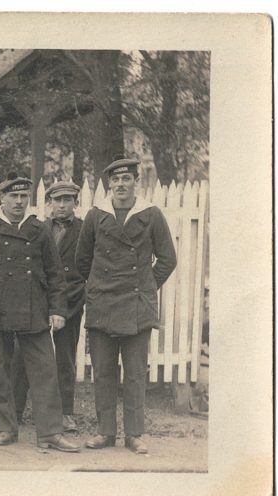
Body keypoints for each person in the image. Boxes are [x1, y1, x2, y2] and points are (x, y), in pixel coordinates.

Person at [0, 172, 79, 451]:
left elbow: (54, 274)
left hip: (33, 309)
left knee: (45, 371)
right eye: (13, 196)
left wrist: (57, 309)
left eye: (23, 196)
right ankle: (6, 428)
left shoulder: (39, 229)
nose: (18, 201)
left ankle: (50, 432)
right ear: (1, 198)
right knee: (1, 372)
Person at [76, 156, 177, 454]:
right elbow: (82, 261)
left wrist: (144, 286)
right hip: (102, 303)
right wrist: (98, 287)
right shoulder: (96, 215)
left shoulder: (152, 214)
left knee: (134, 373)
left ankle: (135, 435)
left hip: (136, 305)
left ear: (136, 182)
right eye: (115, 180)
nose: (120, 185)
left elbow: (168, 259)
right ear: (109, 184)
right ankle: (105, 432)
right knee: (104, 371)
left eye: (126, 179)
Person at [14, 180, 85, 432]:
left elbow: (86, 268)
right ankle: (15, 410)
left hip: (70, 301)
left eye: (68, 200)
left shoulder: (85, 230)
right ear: (49, 203)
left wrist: (69, 301)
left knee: (65, 358)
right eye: (57, 200)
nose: (62, 205)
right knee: (22, 354)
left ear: (75, 203)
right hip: (38, 300)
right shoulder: (37, 228)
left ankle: (65, 413)